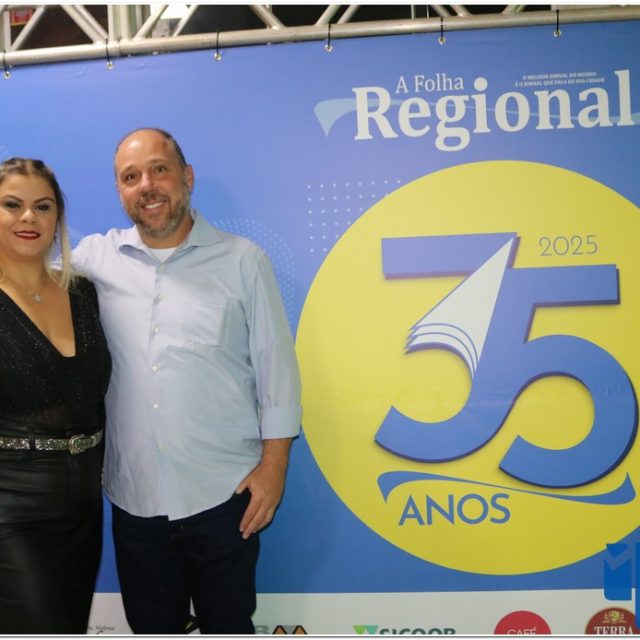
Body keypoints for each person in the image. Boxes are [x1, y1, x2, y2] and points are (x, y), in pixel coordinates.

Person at [72, 128, 302, 634]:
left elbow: (277, 370)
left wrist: (274, 468)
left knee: (229, 626)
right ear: (120, 192)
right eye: (131, 177)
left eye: (159, 169)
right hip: (135, 503)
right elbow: (23, 282)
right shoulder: (92, 261)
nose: (146, 185)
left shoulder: (243, 261)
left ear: (187, 177)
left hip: (225, 497)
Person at [0, 158, 111, 634]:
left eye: (42, 206)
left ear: (57, 218)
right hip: (11, 510)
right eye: (12, 205)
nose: (29, 217)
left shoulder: (84, 293)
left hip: (84, 509)